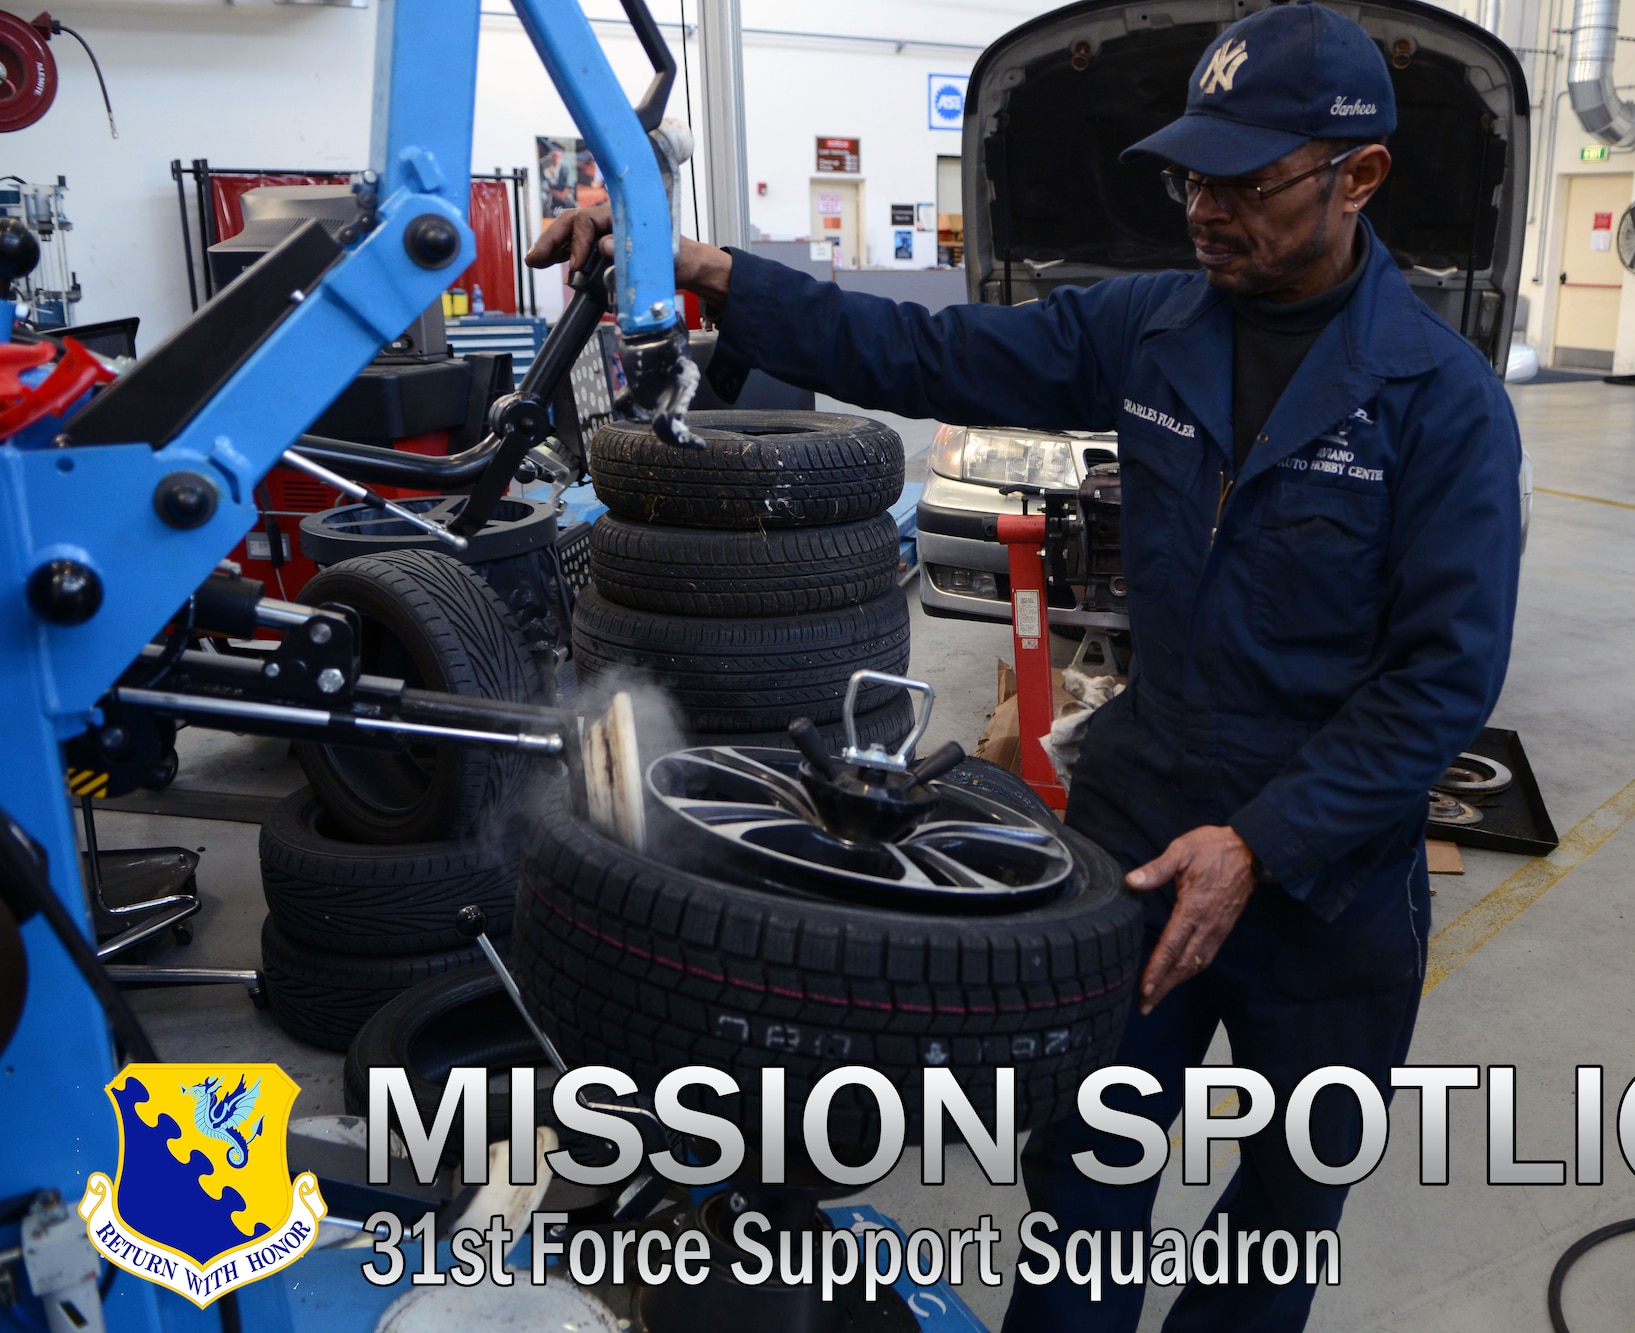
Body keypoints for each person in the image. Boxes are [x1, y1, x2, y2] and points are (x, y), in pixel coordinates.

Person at [529, 7, 1520, 1330]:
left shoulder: (1441, 401)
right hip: (1143, 838)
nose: (1204, 212)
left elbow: (1442, 680)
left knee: (1281, 1216)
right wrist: (711, 269)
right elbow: (923, 352)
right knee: (1085, 1195)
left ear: (1361, 177)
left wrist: (1266, 844)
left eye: (1244, 182)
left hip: (1329, 893)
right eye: (1190, 178)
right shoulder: (1154, 327)